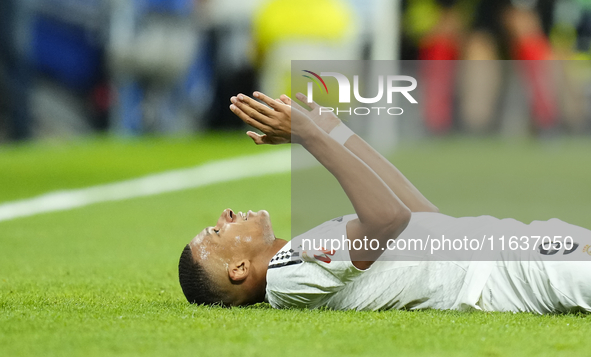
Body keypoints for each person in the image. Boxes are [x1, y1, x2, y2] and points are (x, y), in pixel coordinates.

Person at [178, 91, 591, 314]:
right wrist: (310, 137)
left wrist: (338, 134)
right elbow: (388, 218)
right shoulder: (288, 275)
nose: (226, 216)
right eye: (217, 231)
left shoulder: (296, 257)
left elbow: (418, 217)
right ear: (238, 270)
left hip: (507, 253)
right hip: (510, 271)